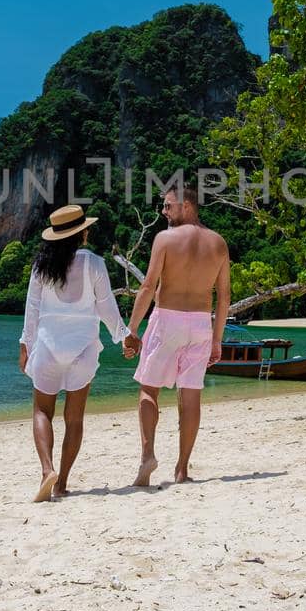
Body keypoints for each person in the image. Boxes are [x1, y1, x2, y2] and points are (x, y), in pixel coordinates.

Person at [18, 203, 130, 503]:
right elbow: (107, 306)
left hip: (48, 346)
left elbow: (32, 309)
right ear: (82, 233)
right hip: (82, 348)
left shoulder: (41, 266)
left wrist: (25, 344)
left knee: (42, 411)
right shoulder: (94, 263)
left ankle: (46, 470)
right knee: (74, 418)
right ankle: (62, 482)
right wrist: (125, 337)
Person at [122, 183, 230, 487]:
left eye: (168, 206)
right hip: (200, 324)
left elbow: (147, 287)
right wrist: (218, 340)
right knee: (191, 395)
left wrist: (131, 330)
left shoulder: (165, 239)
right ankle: (182, 469)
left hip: (167, 318)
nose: (164, 212)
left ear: (186, 205)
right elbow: (224, 297)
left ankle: (148, 455)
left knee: (148, 388)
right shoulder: (219, 243)